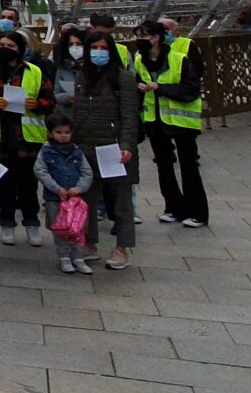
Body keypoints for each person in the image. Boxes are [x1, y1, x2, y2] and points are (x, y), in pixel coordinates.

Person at [67, 31, 140, 270]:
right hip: (86, 145)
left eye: (103, 47)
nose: (99, 52)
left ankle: (122, 247)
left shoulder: (124, 78)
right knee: (86, 199)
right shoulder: (82, 78)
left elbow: (130, 115)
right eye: (94, 47)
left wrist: (127, 145)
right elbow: (76, 112)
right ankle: (89, 243)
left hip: (114, 148)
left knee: (120, 201)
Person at [132, 20, 208, 227]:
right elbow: (137, 83)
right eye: (138, 36)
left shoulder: (179, 59)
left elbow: (190, 90)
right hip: (154, 120)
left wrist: (160, 88)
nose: (140, 41)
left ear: (156, 38)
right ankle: (173, 207)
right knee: (164, 166)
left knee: (188, 165)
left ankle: (197, 212)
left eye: (144, 36)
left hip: (182, 120)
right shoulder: (139, 60)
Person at [0, 28, 54, 245]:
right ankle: (7, 223)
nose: (6, 50)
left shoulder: (34, 71)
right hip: (0, 136)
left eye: (11, 46)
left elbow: (50, 102)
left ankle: (31, 223)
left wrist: (37, 104)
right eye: (2, 46)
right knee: (4, 184)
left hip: (28, 137)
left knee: (28, 184)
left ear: (20, 49)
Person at [34, 117, 94, 274]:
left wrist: (79, 188)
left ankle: (78, 257)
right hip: (55, 198)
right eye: (59, 132)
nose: (63, 135)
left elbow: (87, 172)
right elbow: (40, 171)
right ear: (50, 133)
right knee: (59, 228)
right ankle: (64, 257)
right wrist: (56, 188)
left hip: (75, 199)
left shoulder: (77, 151)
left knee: (78, 228)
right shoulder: (46, 151)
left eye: (67, 132)